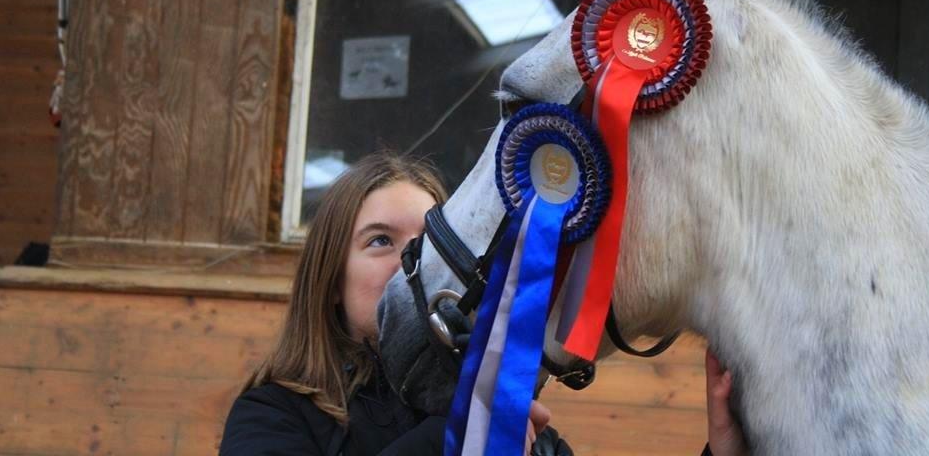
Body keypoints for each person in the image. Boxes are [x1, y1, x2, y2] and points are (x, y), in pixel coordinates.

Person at [219, 151, 748, 456]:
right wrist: (458, 436)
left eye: (427, 240)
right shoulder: (275, 413)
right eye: (380, 240)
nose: (410, 260)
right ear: (331, 279)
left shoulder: (522, 429)